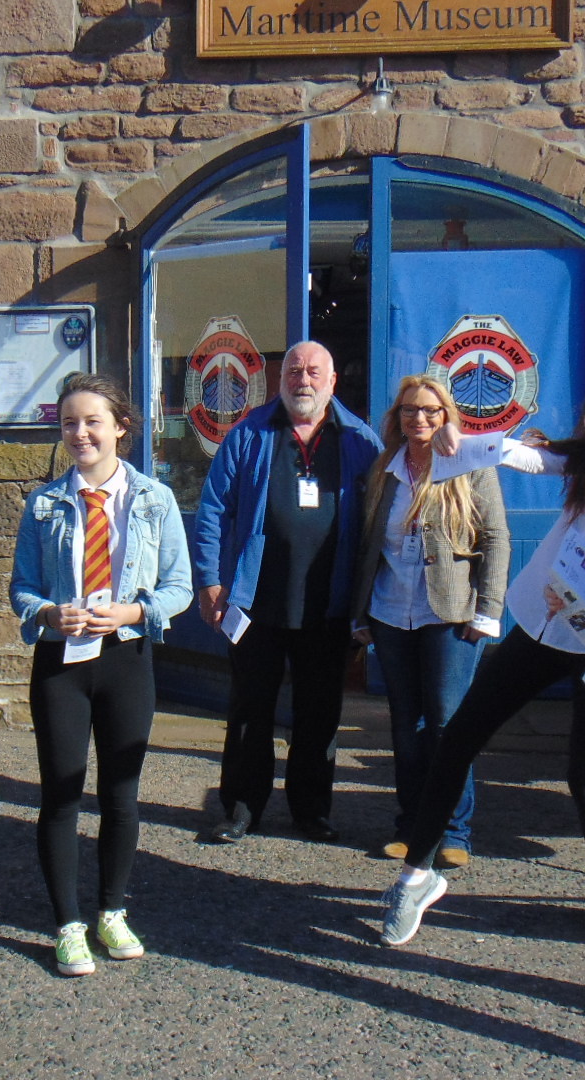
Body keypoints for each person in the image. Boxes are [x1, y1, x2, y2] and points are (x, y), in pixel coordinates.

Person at [377, 377, 585, 945]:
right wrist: (458, 437)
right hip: (540, 628)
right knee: (458, 735)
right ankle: (417, 873)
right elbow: (523, 456)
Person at [11, 373, 192, 977]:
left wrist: (135, 611)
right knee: (60, 794)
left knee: (121, 795)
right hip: (62, 660)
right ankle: (66, 924)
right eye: (69, 422)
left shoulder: (154, 499)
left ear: (121, 426)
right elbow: (21, 589)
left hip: (126, 657)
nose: (80, 433)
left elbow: (180, 587)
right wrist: (46, 611)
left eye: (92, 421)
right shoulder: (42, 504)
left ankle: (111, 911)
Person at [191, 341, 382, 844]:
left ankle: (311, 811)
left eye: (314, 371)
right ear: (280, 379)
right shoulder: (249, 433)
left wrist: (371, 602)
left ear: (333, 380)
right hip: (256, 602)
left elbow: (384, 522)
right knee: (250, 711)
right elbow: (213, 510)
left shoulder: (360, 441)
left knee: (319, 716)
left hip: (329, 605)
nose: (304, 379)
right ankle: (240, 808)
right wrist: (210, 581)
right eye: (295, 370)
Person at [348, 375, 509, 865]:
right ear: (396, 419)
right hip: (392, 613)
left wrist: (488, 611)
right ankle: (412, 825)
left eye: (430, 410)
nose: (419, 418)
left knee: (446, 723)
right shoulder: (385, 470)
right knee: (405, 725)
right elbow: (368, 546)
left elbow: (497, 539)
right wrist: (359, 615)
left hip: (451, 613)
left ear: (447, 416)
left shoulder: (470, 464)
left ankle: (455, 831)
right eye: (409, 410)